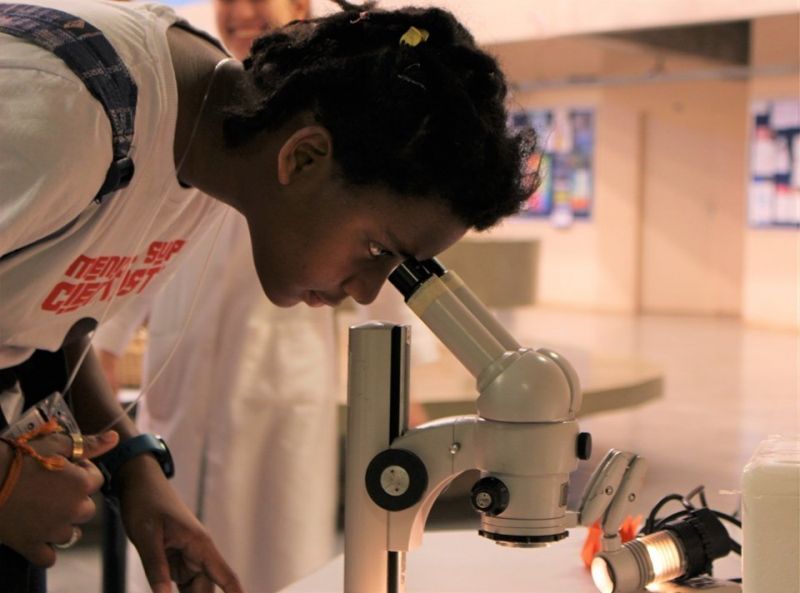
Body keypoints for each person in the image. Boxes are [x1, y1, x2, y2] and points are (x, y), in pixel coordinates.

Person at [0, 0, 538, 591]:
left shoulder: (215, 143)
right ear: (303, 157)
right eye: (379, 250)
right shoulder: (66, 116)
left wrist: (136, 468)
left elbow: (48, 312)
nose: (364, 292)